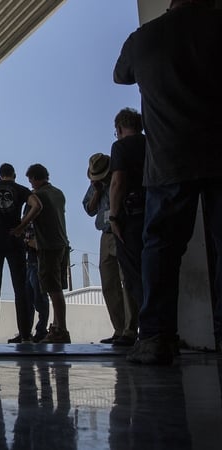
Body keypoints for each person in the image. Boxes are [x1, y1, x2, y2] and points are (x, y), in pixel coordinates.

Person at [114, 0, 222, 364]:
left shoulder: (143, 38)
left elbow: (121, 74)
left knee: (160, 246)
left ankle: (157, 337)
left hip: (169, 157)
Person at [0, 163, 41, 344]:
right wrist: (21, 226)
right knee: (20, 289)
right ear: (14, 175)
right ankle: (26, 335)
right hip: (14, 241)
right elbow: (37, 206)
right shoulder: (21, 189)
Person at [82, 153, 136, 346]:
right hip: (105, 234)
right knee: (109, 283)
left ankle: (131, 330)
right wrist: (97, 191)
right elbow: (89, 209)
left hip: (122, 230)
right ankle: (119, 329)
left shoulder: (121, 178)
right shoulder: (96, 185)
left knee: (127, 281)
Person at [108, 108, 145, 349]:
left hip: (131, 218)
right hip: (156, 213)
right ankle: (164, 331)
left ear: (120, 128)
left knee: (134, 276)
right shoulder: (151, 142)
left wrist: (113, 216)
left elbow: (118, 182)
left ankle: (150, 332)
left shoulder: (120, 147)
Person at [23, 164, 71, 344]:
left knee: (53, 289)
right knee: (57, 289)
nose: (31, 184)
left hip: (48, 246)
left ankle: (60, 331)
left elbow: (34, 212)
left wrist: (20, 226)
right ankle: (58, 326)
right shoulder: (58, 193)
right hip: (63, 244)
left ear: (35, 178)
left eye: (30, 180)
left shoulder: (38, 195)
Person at [23, 223, 50, 342]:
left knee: (40, 298)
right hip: (29, 264)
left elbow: (40, 244)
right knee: (27, 301)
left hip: (38, 264)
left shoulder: (43, 220)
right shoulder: (27, 217)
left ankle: (41, 331)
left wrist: (27, 241)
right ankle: (25, 332)